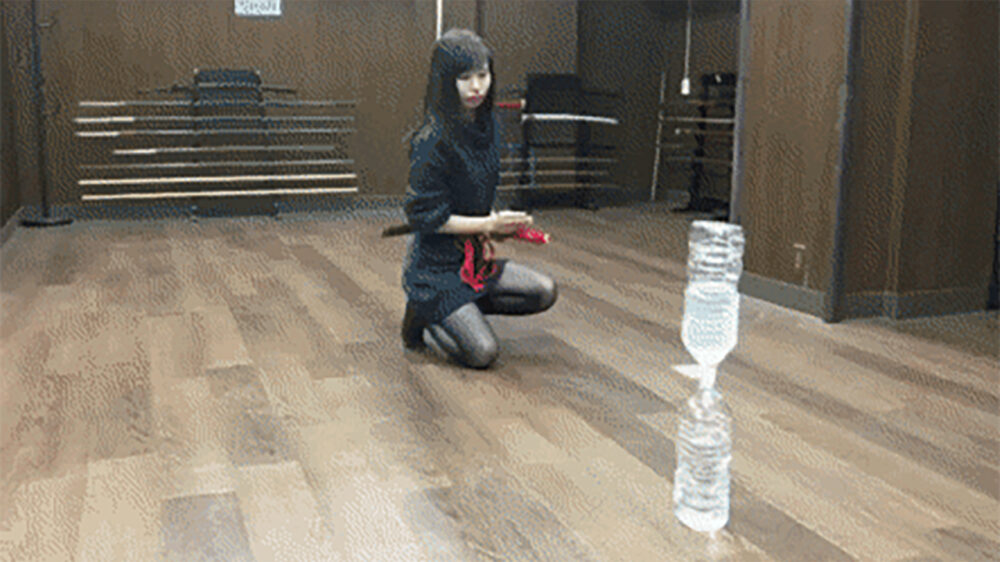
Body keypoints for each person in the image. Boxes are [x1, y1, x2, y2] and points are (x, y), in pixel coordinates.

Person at [397, 28, 557, 369]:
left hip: (472, 263)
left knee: (544, 290)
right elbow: (426, 218)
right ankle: (426, 310)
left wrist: (502, 227)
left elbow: (475, 199)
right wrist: (488, 224)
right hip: (435, 271)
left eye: (482, 75)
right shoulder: (431, 141)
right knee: (483, 353)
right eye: (464, 78)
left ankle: (459, 310)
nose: (476, 87)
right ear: (446, 81)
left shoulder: (489, 126)